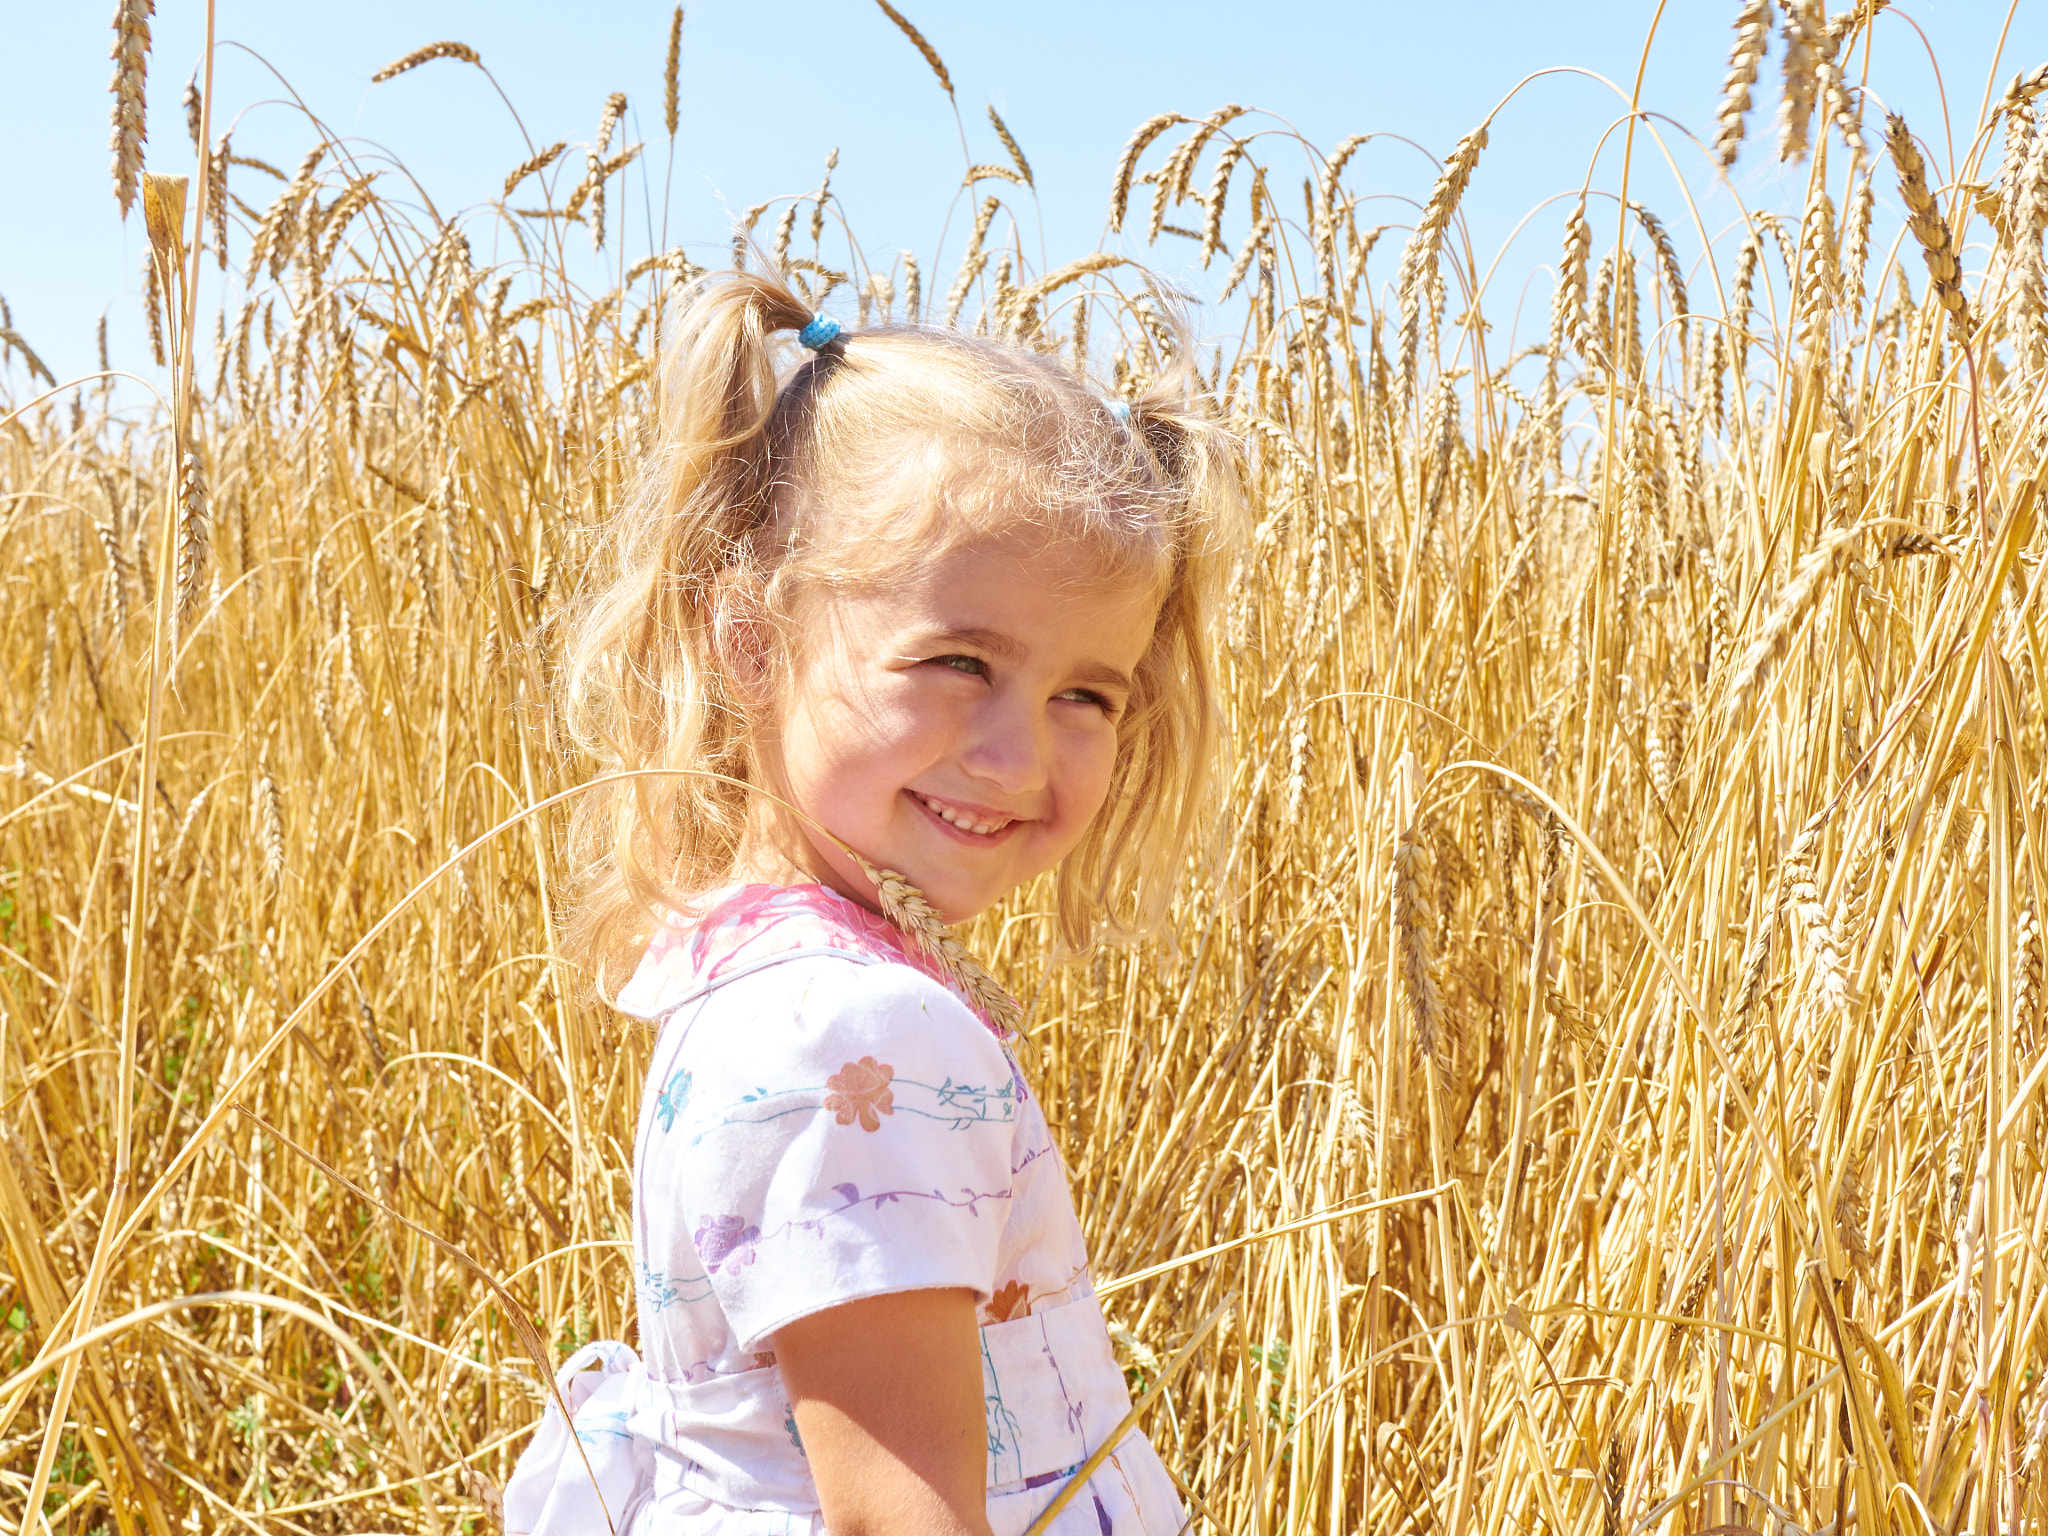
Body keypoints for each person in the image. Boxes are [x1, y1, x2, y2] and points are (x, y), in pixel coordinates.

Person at [502, 264, 1240, 1535]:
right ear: (748, 638)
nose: (1018, 754)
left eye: (1088, 694)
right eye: (957, 662)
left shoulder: (756, 970)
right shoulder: (850, 1036)